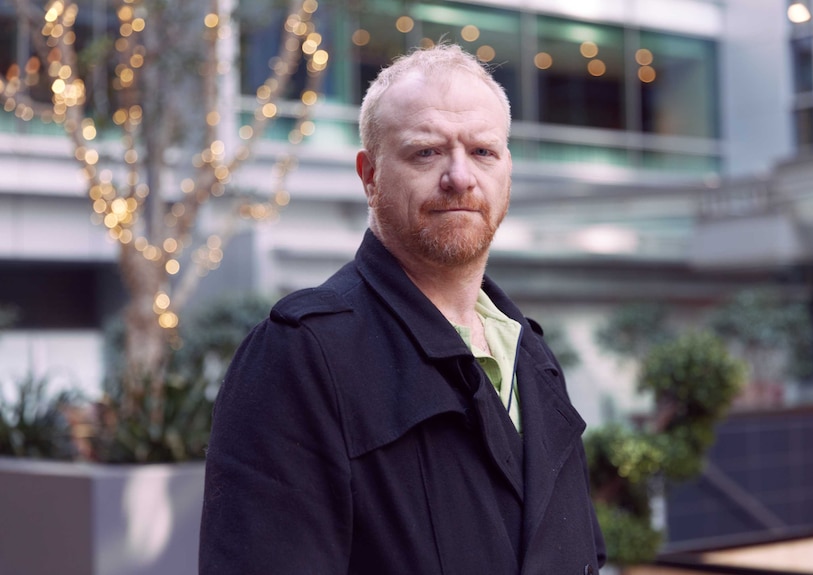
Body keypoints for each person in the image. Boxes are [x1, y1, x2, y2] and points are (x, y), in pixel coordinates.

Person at [199, 43, 606, 575]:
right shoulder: (301, 356)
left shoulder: (532, 357)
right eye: (426, 152)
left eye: (483, 152)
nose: (460, 176)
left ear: (507, 171)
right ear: (369, 176)